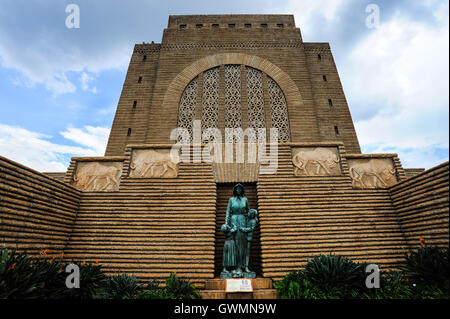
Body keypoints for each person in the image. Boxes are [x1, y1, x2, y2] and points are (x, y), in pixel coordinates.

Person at [225, 183, 250, 276]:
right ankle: (234, 266)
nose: (238, 191)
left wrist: (253, 219)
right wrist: (227, 224)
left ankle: (243, 266)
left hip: (243, 222)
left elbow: (249, 211)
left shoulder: (245, 199)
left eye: (240, 189)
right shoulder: (231, 200)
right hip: (234, 221)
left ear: (242, 190)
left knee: (242, 245)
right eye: (237, 189)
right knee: (234, 245)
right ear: (235, 190)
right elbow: (228, 212)